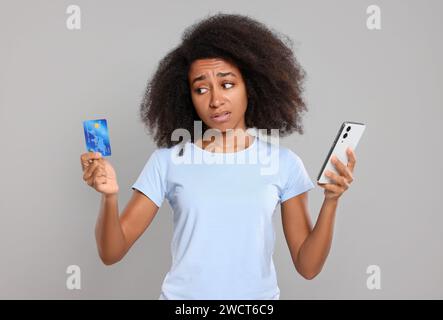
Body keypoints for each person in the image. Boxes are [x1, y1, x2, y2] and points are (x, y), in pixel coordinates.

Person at [80, 13, 357, 300]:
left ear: (251, 85)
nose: (215, 100)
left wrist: (331, 201)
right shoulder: (168, 161)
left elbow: (308, 266)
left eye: (227, 84)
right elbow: (111, 252)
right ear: (187, 97)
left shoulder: (284, 164)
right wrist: (109, 197)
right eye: (201, 89)